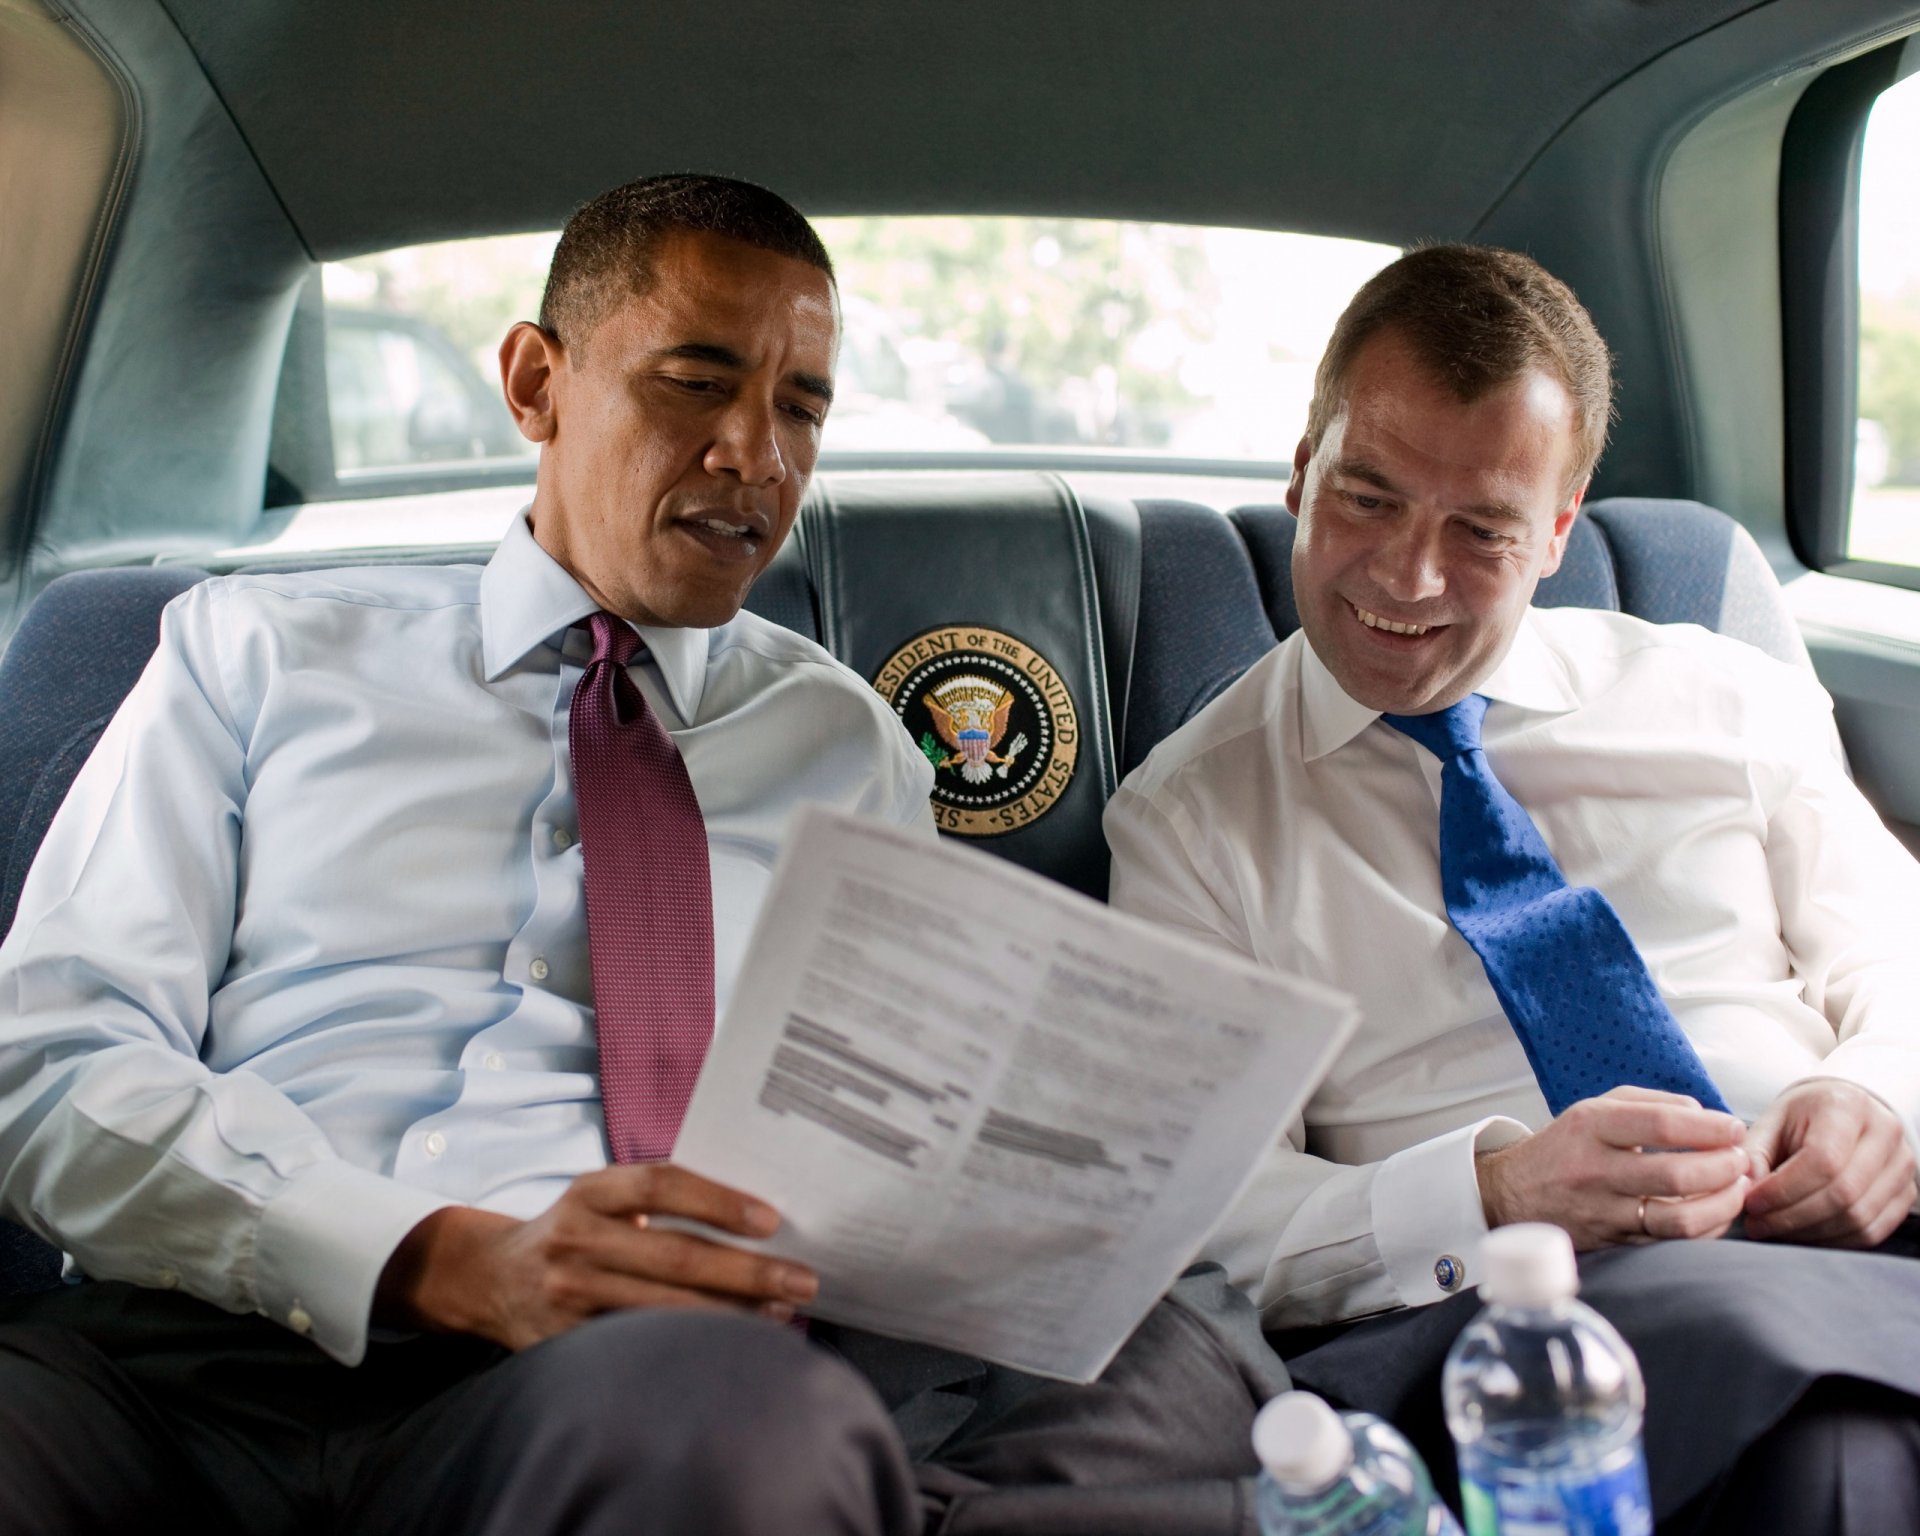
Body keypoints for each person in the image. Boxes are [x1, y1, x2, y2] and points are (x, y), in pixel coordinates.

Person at [0, 175, 1283, 1536]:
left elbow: (909, 1143)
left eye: (801, 406)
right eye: (696, 382)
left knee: (749, 1427)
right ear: (535, 381)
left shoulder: (847, 747)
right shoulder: (254, 652)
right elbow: (50, 1062)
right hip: (184, 1352)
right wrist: (431, 1257)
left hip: (615, 1388)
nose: (757, 454)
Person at [1104, 243, 1920, 1531]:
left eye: (1480, 530)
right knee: (1839, 1456)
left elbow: (1902, 962)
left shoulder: (1724, 695)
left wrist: (1877, 1101)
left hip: (1855, 1255)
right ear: (1300, 471)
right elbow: (1198, 1211)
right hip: (1514, 1327)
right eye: (1365, 499)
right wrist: (1494, 1195)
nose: (1406, 579)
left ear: (1557, 531)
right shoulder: (1191, 820)